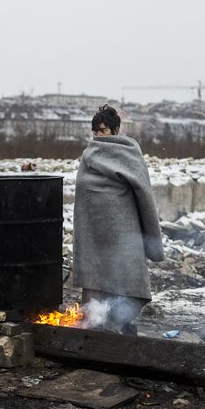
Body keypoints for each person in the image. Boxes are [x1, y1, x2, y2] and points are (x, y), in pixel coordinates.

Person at [73, 104, 164, 335]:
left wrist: (150, 234)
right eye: (95, 131)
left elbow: (143, 192)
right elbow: (83, 190)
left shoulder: (129, 152)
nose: (98, 135)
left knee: (125, 271)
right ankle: (98, 321)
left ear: (115, 129)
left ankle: (121, 319)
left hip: (124, 227)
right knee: (98, 273)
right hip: (94, 227)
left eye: (102, 130)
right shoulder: (88, 155)